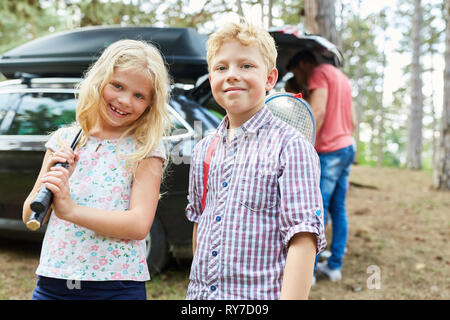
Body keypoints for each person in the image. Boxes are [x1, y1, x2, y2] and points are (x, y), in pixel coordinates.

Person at [185, 20, 326, 300]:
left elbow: (303, 239)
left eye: (246, 66)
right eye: (221, 67)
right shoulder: (203, 149)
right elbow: (200, 224)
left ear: (270, 79)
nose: (232, 75)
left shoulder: (290, 147)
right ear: (211, 78)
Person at [22, 39, 170, 300]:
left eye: (139, 95)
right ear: (100, 80)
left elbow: (138, 225)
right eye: (117, 86)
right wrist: (54, 181)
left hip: (116, 286)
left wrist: (71, 211)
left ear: (150, 104)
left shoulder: (145, 149)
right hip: (54, 282)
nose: (124, 100)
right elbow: (29, 216)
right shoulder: (63, 141)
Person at [287, 50, 356, 283]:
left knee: (318, 208)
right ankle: (334, 266)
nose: (301, 78)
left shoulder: (318, 73)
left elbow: (318, 111)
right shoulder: (342, 77)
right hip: (347, 146)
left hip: (329, 150)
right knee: (338, 208)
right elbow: (354, 121)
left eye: (297, 72)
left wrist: (303, 146)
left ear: (304, 63)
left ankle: (310, 271)